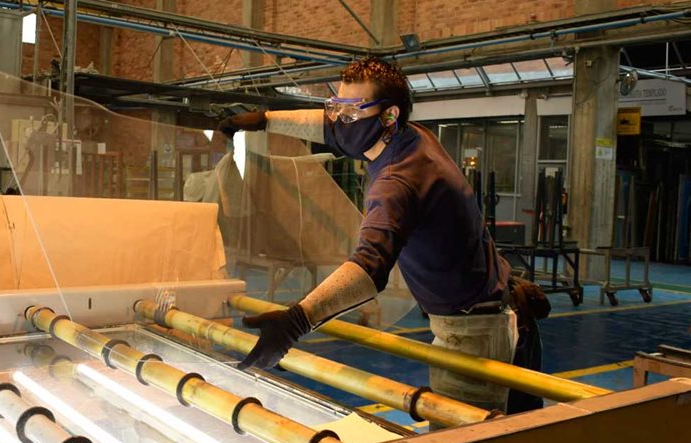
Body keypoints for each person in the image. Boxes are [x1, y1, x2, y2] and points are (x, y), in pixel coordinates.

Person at [217, 57, 547, 417]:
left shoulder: (397, 180)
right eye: (337, 107)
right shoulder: (408, 136)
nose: (339, 120)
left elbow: (369, 267)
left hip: (479, 335)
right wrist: (263, 120)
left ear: (388, 116)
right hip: (500, 308)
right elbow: (327, 126)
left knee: (469, 437)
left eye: (350, 111)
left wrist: (297, 321)